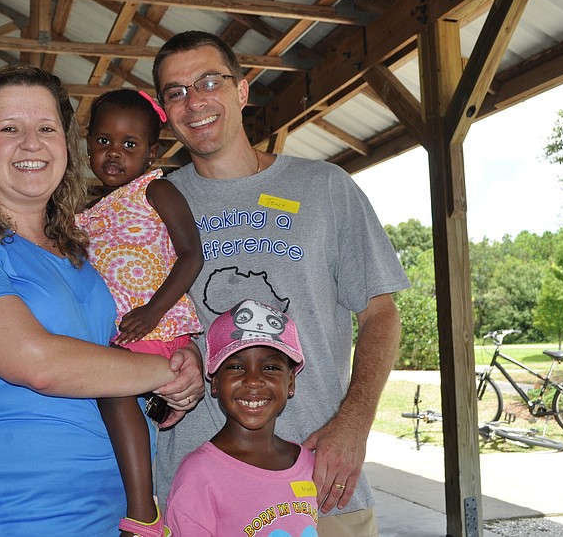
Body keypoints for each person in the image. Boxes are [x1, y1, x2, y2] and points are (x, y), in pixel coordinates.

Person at [0, 63, 204, 535]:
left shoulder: (82, 251)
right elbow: (37, 362)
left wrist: (182, 350)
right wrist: (170, 372)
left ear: (66, 145)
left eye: (46, 128)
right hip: (13, 508)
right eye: (8, 128)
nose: (31, 143)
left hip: (117, 510)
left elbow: (119, 340)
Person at [151, 31, 411, 536]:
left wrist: (354, 423)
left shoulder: (325, 188)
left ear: (242, 91)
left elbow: (380, 313)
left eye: (209, 81)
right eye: (176, 91)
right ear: (164, 110)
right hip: (200, 494)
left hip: (322, 484)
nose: (194, 101)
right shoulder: (153, 205)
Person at [78, 88, 203, 535]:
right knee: (109, 395)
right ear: (87, 142)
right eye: (103, 141)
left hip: (157, 322)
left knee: (111, 391)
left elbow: (192, 254)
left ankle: (143, 514)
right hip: (124, 331)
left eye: (130, 145)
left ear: (151, 152)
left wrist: (153, 310)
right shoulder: (86, 211)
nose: (114, 153)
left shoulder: (157, 189)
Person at [166, 299, 318, 536]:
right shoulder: (200, 473)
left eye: (270, 368)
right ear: (214, 382)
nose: (253, 380)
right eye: (236, 367)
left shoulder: (307, 463)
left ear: (291, 382)